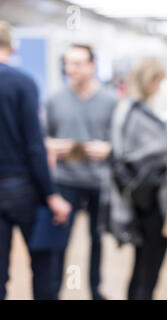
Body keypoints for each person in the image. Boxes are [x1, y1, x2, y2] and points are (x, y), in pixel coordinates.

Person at [0, 20, 71, 300]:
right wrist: (52, 195)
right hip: (24, 189)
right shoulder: (22, 83)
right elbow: (34, 147)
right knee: (43, 267)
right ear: (12, 47)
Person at [45, 44, 117, 300]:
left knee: (97, 240)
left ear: (91, 66)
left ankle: (95, 289)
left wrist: (108, 149)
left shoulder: (110, 101)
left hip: (99, 181)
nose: (70, 69)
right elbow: (42, 138)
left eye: (76, 63)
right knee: (60, 240)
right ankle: (53, 290)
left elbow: (120, 142)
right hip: (66, 181)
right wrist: (52, 145)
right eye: (67, 63)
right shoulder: (55, 99)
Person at [110, 57, 167, 300]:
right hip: (146, 198)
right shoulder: (135, 111)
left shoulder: (130, 109)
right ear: (150, 81)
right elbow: (142, 152)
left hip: (139, 197)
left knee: (142, 265)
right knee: (149, 264)